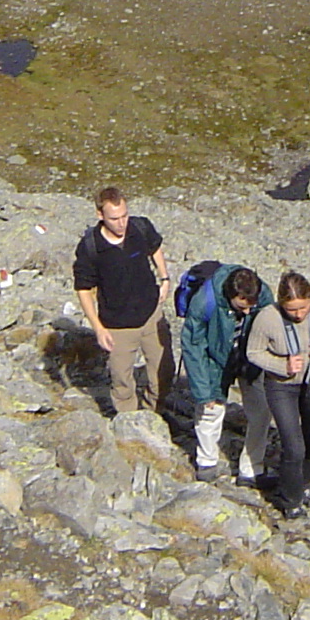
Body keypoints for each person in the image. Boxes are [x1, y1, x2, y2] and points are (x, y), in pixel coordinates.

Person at [244, 271, 310, 518]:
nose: (299, 315)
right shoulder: (267, 318)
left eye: (303, 308)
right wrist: (282, 365)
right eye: (291, 310)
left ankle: (303, 483)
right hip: (281, 386)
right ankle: (290, 501)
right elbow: (253, 353)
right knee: (294, 445)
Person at [72, 187, 172, 416]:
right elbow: (83, 289)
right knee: (122, 381)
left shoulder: (140, 227)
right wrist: (98, 328)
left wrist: (164, 278)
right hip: (117, 325)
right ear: (100, 215)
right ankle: (129, 422)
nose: (121, 223)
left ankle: (153, 415)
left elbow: (155, 247)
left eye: (124, 216)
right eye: (114, 219)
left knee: (164, 372)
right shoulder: (90, 247)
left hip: (151, 315)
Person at [180, 264, 274, 484]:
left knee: (261, 412)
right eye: (242, 306)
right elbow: (193, 346)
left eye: (252, 306)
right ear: (231, 295)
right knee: (210, 409)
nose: (248, 312)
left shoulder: (263, 295)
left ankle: (251, 470)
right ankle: (207, 462)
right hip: (215, 358)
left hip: (250, 357)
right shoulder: (205, 301)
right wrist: (204, 392)